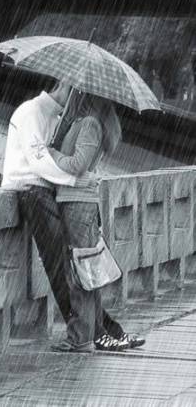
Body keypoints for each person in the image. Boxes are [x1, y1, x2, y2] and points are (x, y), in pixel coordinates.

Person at [1, 82, 134, 352]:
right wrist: (76, 179)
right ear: (68, 86)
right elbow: (38, 160)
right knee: (65, 267)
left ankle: (97, 332)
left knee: (73, 267)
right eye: (79, 89)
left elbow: (69, 161)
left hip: (52, 193)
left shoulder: (70, 119)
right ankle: (97, 333)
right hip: (32, 190)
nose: (81, 95)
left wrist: (73, 177)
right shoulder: (31, 112)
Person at [48, 90, 146, 351]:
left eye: (76, 92)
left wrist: (50, 155)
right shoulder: (83, 122)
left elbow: (78, 164)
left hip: (78, 203)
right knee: (85, 269)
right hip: (76, 201)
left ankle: (81, 337)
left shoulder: (90, 124)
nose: (71, 95)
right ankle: (92, 334)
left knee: (81, 271)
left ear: (86, 97)